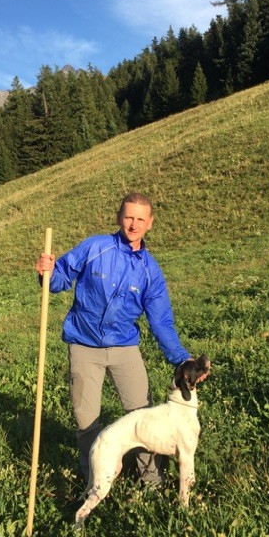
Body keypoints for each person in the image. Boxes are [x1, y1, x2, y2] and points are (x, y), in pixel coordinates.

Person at [35, 192, 201, 485]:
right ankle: (92, 481)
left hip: (125, 348)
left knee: (143, 415)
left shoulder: (150, 271)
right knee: (86, 420)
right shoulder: (95, 247)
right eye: (128, 217)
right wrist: (48, 272)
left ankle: (151, 480)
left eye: (140, 219)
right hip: (84, 346)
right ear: (118, 218)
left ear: (150, 223)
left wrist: (181, 358)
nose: (133, 225)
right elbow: (60, 278)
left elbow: (161, 321)